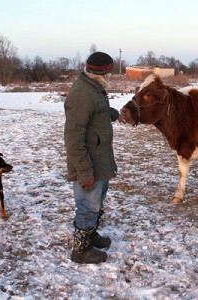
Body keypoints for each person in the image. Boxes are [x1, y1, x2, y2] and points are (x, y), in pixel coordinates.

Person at [64, 51, 122, 264]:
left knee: (96, 202)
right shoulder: (82, 93)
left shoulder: (94, 88)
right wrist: (84, 171)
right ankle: (81, 250)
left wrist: (114, 114)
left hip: (99, 158)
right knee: (88, 206)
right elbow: (73, 137)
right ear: (103, 72)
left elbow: (98, 109)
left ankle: (90, 235)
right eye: (110, 73)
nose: (111, 77)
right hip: (88, 163)